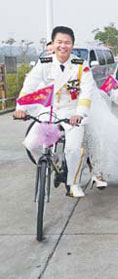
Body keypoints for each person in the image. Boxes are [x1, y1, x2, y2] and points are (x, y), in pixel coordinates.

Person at [14, 26, 96, 198]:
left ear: (72, 45)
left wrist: (79, 113)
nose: (63, 46)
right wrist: (21, 107)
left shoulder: (81, 66)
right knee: (30, 144)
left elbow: (86, 91)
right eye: (59, 42)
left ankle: (73, 182)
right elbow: (30, 84)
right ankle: (53, 161)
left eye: (67, 42)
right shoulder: (45, 63)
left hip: (72, 113)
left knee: (73, 149)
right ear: (53, 43)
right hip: (48, 111)